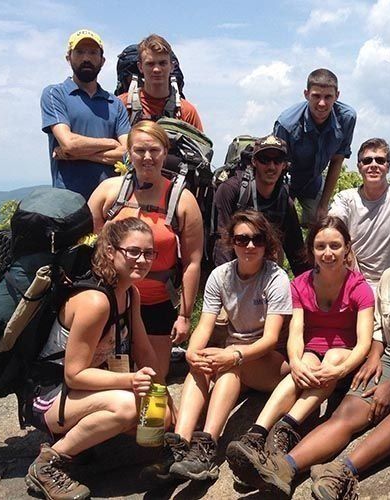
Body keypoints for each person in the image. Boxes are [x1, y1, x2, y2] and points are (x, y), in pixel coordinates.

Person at [232, 211, 390, 498]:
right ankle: (284, 467)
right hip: (389, 358)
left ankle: (342, 471)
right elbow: (380, 330)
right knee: (349, 412)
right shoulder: (389, 276)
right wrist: (373, 358)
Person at [143, 210, 293, 482]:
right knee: (201, 364)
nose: (249, 246)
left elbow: (271, 338)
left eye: (257, 240)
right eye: (242, 239)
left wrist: (233, 355)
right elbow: (205, 325)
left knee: (227, 367)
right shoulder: (220, 276)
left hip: (270, 360)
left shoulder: (276, 277)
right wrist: (193, 353)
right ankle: (180, 443)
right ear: (231, 241)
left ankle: (207, 447)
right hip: (236, 352)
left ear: (267, 243)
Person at [225, 216, 374, 481]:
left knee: (333, 356)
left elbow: (363, 342)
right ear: (311, 250)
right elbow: (296, 332)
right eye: (320, 246)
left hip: (344, 357)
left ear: (347, 248)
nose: (328, 253)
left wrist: (340, 371)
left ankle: (287, 427)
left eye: (335, 246)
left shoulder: (360, 288)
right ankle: (257, 433)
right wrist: (295, 361)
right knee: (305, 362)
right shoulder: (300, 284)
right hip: (312, 354)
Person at [24, 217, 163, 500]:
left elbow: (144, 352)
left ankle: (82, 444)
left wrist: (158, 392)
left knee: (157, 411)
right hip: (50, 395)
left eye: (149, 253)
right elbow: (73, 374)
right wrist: (131, 382)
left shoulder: (129, 294)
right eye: (133, 251)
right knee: (127, 407)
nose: (142, 260)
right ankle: (49, 462)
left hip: (83, 391)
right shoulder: (95, 301)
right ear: (111, 251)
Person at [88, 120, 203, 381]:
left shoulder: (182, 200)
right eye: (139, 150)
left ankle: (146, 423)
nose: (147, 157)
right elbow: (88, 246)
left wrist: (184, 315)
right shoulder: (109, 192)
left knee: (153, 380)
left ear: (165, 152)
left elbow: (192, 262)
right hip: (109, 301)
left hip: (157, 303)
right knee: (106, 380)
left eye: (154, 150)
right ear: (129, 153)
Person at [41, 29, 131, 199]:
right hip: (68, 204)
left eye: (93, 52)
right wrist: (110, 142)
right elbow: (69, 144)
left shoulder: (115, 103)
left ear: (102, 60)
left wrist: (76, 154)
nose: (86, 58)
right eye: (80, 52)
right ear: (69, 57)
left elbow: (128, 154)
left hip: (111, 201)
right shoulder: (55, 94)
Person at [213, 134, 309, 275]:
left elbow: (297, 253)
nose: (271, 166)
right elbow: (221, 242)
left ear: (284, 165)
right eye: (265, 159)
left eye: (277, 160)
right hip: (233, 271)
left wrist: (308, 289)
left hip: (264, 273)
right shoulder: (231, 190)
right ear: (254, 161)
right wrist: (227, 284)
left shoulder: (284, 201)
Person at [329, 138, 390, 288]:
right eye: (367, 160)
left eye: (380, 160)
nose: (373, 165)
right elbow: (331, 229)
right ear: (359, 166)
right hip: (353, 282)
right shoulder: (345, 199)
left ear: (388, 166)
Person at [273, 68, 356, 226]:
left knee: (324, 223)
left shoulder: (347, 118)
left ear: (337, 96)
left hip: (313, 180)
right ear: (306, 94)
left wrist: (323, 205)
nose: (322, 103)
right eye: (316, 96)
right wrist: (282, 203)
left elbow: (337, 160)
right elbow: (276, 167)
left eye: (328, 97)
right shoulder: (286, 124)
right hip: (284, 180)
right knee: (279, 225)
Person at [117, 33, 204, 129]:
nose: (156, 69)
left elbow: (200, 144)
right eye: (150, 64)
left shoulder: (186, 112)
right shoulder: (122, 106)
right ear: (140, 67)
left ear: (172, 66)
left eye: (162, 63)